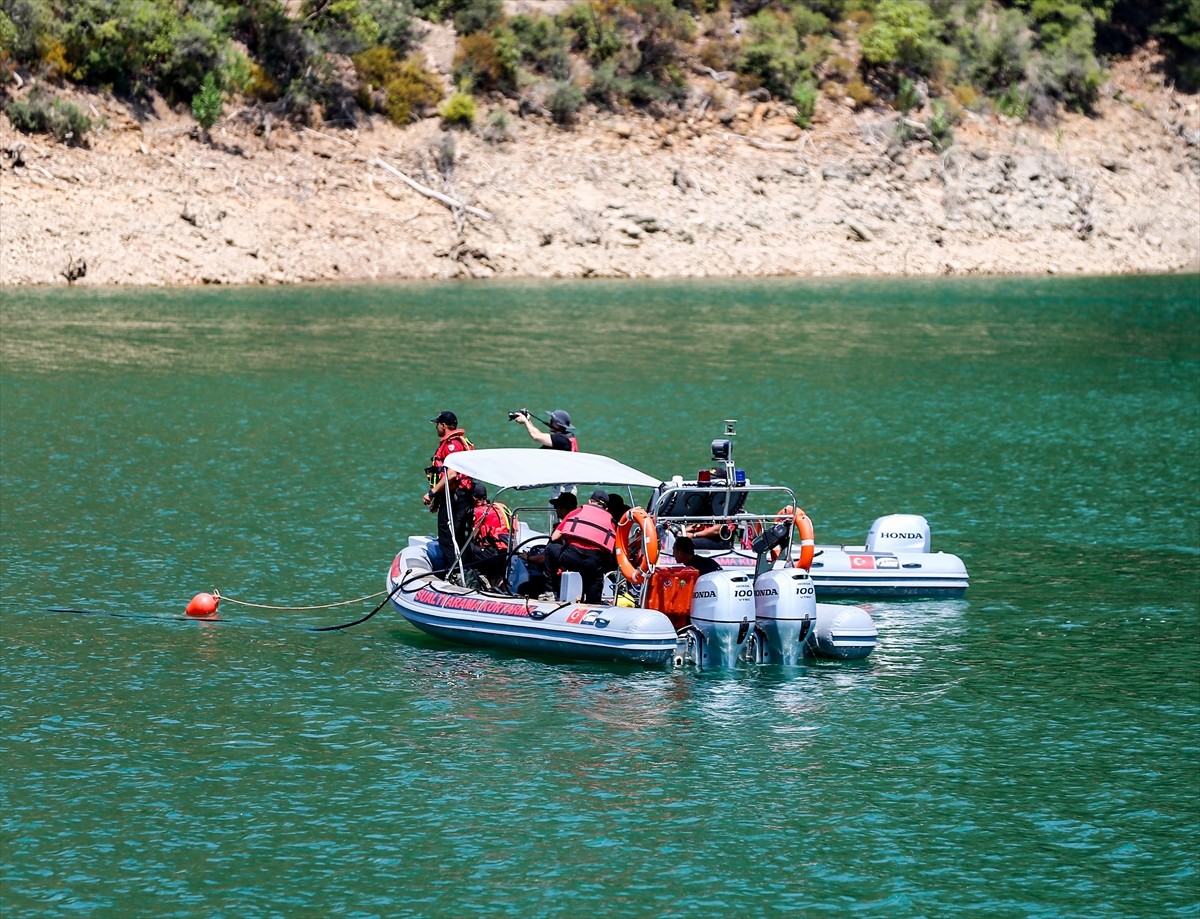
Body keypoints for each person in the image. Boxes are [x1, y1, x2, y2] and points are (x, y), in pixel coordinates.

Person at [422, 410, 475, 576]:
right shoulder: (457, 442)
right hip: (457, 496)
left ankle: (456, 575)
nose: (436, 428)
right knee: (457, 536)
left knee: (447, 538)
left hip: (457, 497)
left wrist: (431, 493)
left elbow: (451, 475)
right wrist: (438, 499)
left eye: (437, 424)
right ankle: (463, 570)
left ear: (443, 425)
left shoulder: (452, 445)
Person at [543, 490, 616, 603]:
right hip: (594, 562)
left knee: (550, 548)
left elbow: (554, 537)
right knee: (595, 580)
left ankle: (550, 592)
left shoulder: (578, 511)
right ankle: (593, 605)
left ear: (589, 501)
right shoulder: (611, 520)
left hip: (572, 557)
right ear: (606, 508)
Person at [516, 491, 577, 597]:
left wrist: (528, 557)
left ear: (564, 510)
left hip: (558, 580)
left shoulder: (561, 530)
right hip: (574, 575)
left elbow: (544, 558)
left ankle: (549, 593)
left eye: (557, 507)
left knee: (523, 588)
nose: (555, 510)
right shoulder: (578, 525)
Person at [461, 481, 512, 589]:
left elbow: (472, 537)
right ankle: (496, 579)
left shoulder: (478, 512)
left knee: (463, 546)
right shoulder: (500, 506)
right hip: (507, 552)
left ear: (473, 498)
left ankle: (470, 579)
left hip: (493, 554)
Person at [512, 409, 577, 451]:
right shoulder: (564, 437)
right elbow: (538, 434)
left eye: (552, 421)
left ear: (558, 425)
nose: (550, 422)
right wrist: (528, 420)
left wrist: (525, 421)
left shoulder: (560, 439)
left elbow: (536, 436)